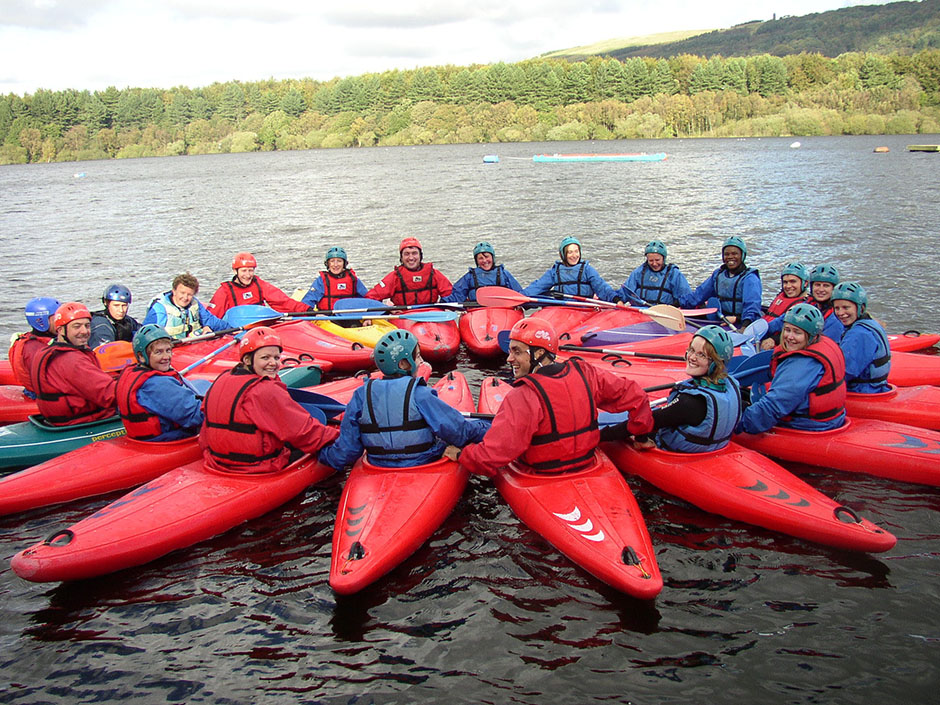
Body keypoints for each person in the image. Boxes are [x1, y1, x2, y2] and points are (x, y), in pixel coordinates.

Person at [446, 318, 654, 476]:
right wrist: (641, 435)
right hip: (588, 465)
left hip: (541, 475)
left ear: (539, 353)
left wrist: (463, 456)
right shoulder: (586, 373)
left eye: (517, 352)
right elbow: (637, 396)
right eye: (510, 351)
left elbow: (493, 456)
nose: (509, 359)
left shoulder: (523, 396)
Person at [320, 329, 489, 470]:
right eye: (417, 357)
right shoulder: (420, 394)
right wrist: (489, 430)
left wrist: (322, 454)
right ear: (403, 364)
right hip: (423, 461)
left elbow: (347, 451)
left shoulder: (360, 395)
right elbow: (458, 432)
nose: (421, 361)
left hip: (377, 465)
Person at [200, 326, 339, 473]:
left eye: (277, 358)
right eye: (265, 358)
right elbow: (303, 431)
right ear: (247, 360)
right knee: (318, 439)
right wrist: (339, 438)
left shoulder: (222, 378)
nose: (273, 363)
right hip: (258, 466)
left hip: (216, 459)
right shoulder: (263, 390)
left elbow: (204, 429)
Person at [602, 326, 742, 453]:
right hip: (716, 448)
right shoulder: (732, 384)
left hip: (681, 455)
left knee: (632, 427)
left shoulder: (690, 403)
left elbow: (643, 422)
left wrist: (604, 436)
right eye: (692, 350)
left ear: (715, 363)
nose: (692, 357)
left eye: (701, 355)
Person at [738, 303, 846, 435]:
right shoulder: (825, 343)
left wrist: (740, 424)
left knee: (742, 407)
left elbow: (774, 406)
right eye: (787, 330)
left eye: (797, 332)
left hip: (808, 425)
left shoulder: (801, 365)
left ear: (811, 335)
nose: (790, 336)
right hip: (832, 419)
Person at [28, 301, 117, 426]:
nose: (84, 331)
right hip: (83, 420)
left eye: (87, 325)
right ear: (61, 330)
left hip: (61, 419)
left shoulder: (45, 351)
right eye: (76, 326)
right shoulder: (72, 360)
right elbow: (110, 395)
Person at [115, 324, 204, 441]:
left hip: (144, 440)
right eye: (158, 352)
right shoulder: (156, 385)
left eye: (168, 350)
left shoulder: (130, 374)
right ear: (142, 356)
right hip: (169, 439)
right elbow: (195, 415)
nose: (166, 356)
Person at [761, 263, 843, 349]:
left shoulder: (836, 318)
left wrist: (777, 340)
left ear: (834, 289)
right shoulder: (806, 305)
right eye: (817, 285)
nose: (821, 289)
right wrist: (758, 332)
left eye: (826, 286)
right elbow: (779, 323)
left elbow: (824, 347)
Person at [688, 236, 762, 328]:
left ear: (742, 255)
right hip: (721, 320)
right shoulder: (718, 275)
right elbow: (698, 295)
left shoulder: (750, 278)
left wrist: (743, 324)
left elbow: (752, 307)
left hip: (739, 322)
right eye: (726, 254)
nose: (730, 257)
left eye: (735, 254)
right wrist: (677, 304)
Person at [208, 252, 311, 316]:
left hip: (258, 325)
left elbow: (283, 302)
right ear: (235, 271)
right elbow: (213, 314)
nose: (248, 275)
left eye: (250, 270)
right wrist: (208, 327)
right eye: (244, 271)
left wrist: (307, 310)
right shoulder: (225, 290)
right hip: (238, 329)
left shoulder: (259, 285)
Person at [831, 282, 891, 394]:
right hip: (876, 387)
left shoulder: (858, 334)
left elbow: (843, 373)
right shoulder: (871, 323)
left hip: (863, 391)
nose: (840, 313)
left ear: (860, 307)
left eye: (846, 307)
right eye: (837, 308)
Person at [524, 236, 621, 302]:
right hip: (562, 308)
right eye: (570, 252)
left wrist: (616, 299)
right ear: (563, 255)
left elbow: (601, 287)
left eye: (576, 251)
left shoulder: (587, 270)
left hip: (584, 308)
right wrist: (520, 297)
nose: (574, 256)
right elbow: (537, 287)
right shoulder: (555, 272)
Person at [366, 237, 453, 306]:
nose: (411, 258)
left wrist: (443, 305)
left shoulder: (434, 274)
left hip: (431, 314)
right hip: (405, 316)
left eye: (414, 253)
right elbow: (371, 297)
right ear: (401, 258)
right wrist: (386, 309)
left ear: (420, 256)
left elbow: (450, 295)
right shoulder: (394, 277)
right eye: (407, 254)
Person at [143, 272, 230, 340]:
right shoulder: (160, 309)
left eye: (189, 294)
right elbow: (148, 335)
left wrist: (233, 330)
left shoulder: (194, 304)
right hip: (171, 349)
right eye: (182, 293)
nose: (185, 298)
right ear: (174, 291)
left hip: (193, 346)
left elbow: (211, 321)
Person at [616, 240, 693, 307]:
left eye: (657, 260)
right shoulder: (638, 273)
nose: (654, 264)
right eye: (651, 261)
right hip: (641, 311)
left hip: (664, 313)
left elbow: (686, 298)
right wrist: (616, 299)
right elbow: (624, 294)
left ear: (663, 258)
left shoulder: (674, 274)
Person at [442, 241, 525, 303]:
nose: (485, 261)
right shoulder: (470, 276)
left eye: (486, 257)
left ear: (492, 257)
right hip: (477, 311)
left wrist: (530, 302)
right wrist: (442, 302)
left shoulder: (504, 274)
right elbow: (457, 296)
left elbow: (519, 294)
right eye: (480, 258)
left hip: (502, 310)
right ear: (476, 261)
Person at [9, 296, 60, 394]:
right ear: (41, 321)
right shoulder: (35, 349)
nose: (61, 322)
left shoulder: (32, 340)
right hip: (40, 395)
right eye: (56, 318)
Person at [300, 246, 370, 311]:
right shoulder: (321, 281)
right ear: (328, 264)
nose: (335, 265)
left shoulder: (353, 279)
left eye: (339, 261)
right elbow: (308, 301)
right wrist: (314, 314)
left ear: (344, 264)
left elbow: (368, 299)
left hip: (349, 316)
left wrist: (368, 317)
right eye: (332, 261)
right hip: (328, 317)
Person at [89, 283, 142, 348]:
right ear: (106, 303)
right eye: (116, 306)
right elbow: (105, 352)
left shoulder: (127, 321)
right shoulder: (100, 325)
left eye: (124, 305)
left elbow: (143, 330)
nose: (121, 310)